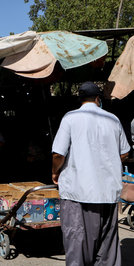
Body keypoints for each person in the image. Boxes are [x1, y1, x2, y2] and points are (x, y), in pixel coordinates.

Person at [52, 81, 130, 266]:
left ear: (80, 99)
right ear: (98, 99)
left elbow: (58, 154)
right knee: (107, 248)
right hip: (108, 194)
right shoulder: (113, 119)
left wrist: (55, 173)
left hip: (78, 193)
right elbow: (125, 152)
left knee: (78, 244)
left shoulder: (70, 118)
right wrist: (106, 164)